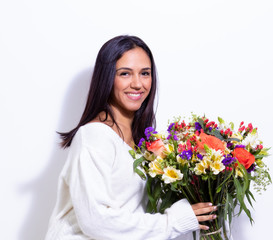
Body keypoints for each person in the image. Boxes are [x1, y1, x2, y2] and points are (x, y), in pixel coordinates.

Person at [45, 35, 217, 240]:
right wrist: (173, 222)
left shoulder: (144, 144)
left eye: (145, 73)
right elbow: (95, 221)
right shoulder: (94, 136)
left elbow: (133, 208)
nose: (137, 84)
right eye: (125, 73)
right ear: (107, 78)